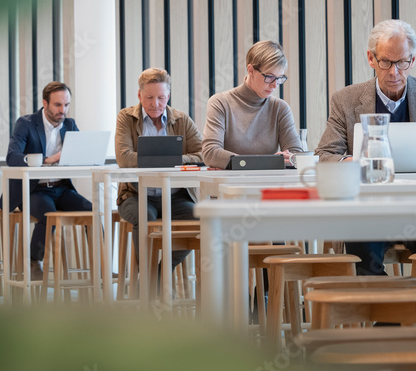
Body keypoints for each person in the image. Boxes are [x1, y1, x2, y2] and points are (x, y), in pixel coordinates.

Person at [315, 19, 416, 281]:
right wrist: (351, 161)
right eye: (386, 62)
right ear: (371, 58)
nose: (394, 72)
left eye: (402, 62)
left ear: (413, 60)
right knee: (364, 258)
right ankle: (388, 318)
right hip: (368, 211)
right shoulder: (347, 100)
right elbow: (323, 155)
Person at [1, 81, 92, 280]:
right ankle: (34, 260)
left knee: (93, 212)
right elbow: (12, 156)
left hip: (62, 188)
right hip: (34, 190)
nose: (63, 110)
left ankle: (100, 266)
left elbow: (79, 154)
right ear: (45, 103)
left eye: (66, 105)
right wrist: (45, 160)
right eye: (58, 105)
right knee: (48, 214)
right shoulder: (25, 123)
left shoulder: (70, 124)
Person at [115, 68, 203, 270]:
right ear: (139, 95)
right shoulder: (126, 118)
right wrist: (169, 160)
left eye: (161, 98)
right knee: (145, 216)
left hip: (175, 197)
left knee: (201, 219)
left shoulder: (181, 119)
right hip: (136, 195)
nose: (156, 104)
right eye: (149, 97)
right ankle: (148, 279)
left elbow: (203, 154)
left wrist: (172, 159)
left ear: (168, 96)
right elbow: (124, 158)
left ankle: (160, 274)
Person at [203, 40, 305, 169]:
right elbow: (210, 153)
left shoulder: (280, 108)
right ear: (250, 70)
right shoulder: (220, 103)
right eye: (269, 76)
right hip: (231, 186)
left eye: (280, 78)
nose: (274, 85)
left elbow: (296, 156)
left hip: (269, 185)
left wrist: (235, 163)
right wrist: (270, 162)